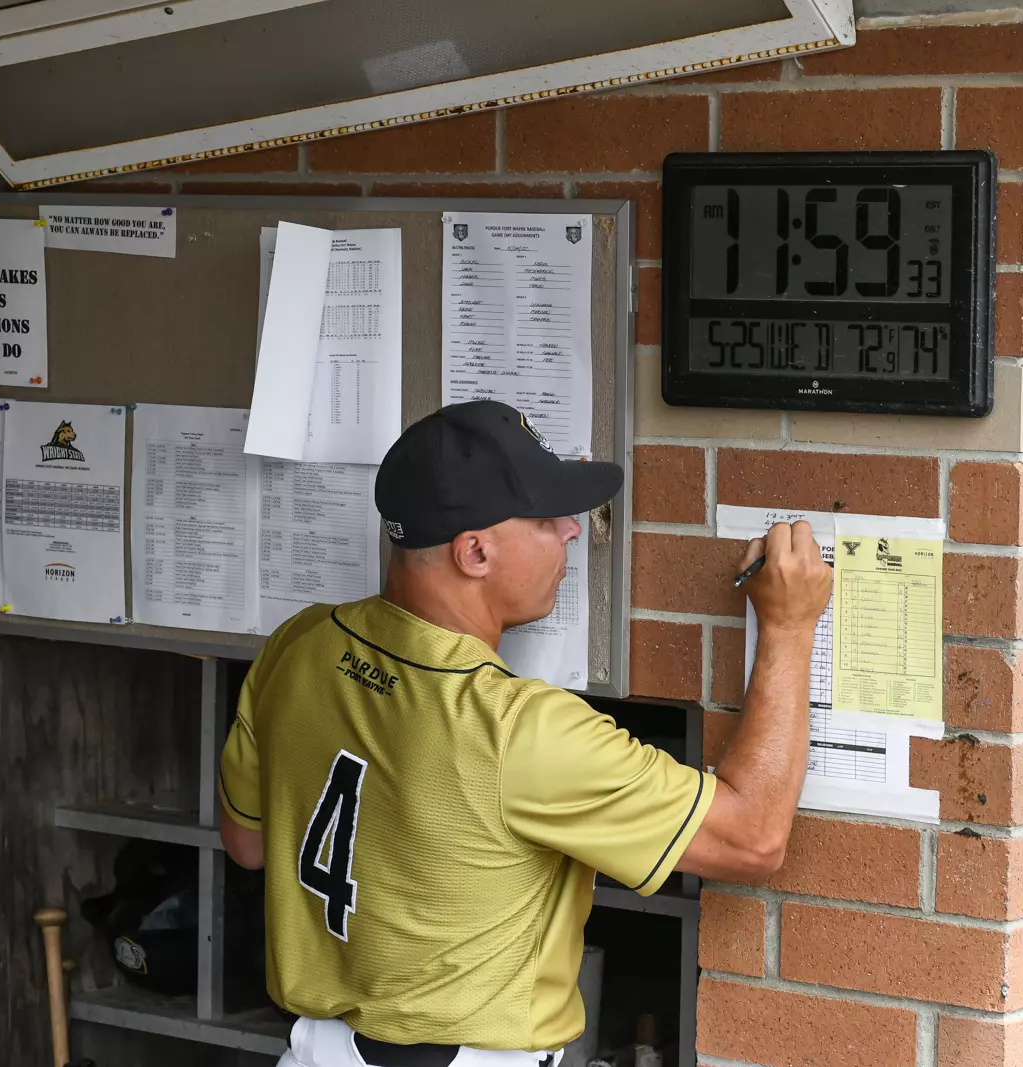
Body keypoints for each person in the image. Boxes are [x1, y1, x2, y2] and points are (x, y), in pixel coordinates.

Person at [219, 400, 831, 1067]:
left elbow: (248, 843)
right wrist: (791, 627)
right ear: (475, 551)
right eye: (546, 519)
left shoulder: (300, 642)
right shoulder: (520, 728)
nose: (572, 531)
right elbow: (755, 836)